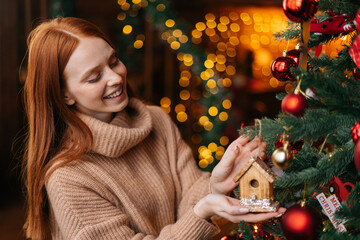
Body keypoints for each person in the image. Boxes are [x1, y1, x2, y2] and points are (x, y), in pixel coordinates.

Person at [23, 17, 286, 240]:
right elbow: (195, 212)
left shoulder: (155, 120)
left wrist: (215, 186)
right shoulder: (68, 177)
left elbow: (188, 195)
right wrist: (202, 211)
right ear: (64, 95)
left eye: (113, 61)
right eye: (94, 77)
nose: (116, 77)